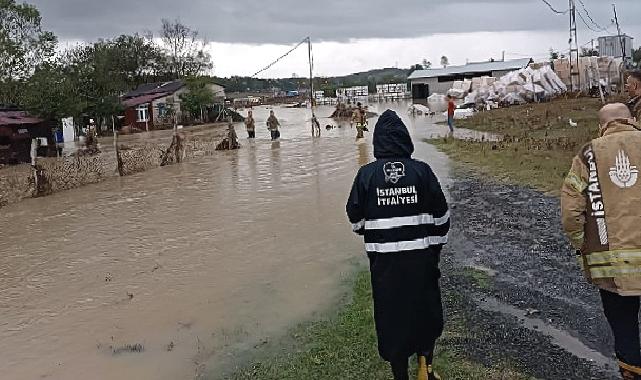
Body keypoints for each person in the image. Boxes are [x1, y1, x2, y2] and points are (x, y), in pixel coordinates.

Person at [346, 110, 449, 380]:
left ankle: (400, 376)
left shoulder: (366, 176)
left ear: (377, 142)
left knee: (393, 322)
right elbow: (442, 217)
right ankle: (425, 369)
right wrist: (432, 251)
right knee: (426, 316)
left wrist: (379, 236)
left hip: (386, 269)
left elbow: (355, 221)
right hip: (422, 264)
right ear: (405, 138)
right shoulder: (422, 171)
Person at [561, 103, 641, 379]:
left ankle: (631, 370)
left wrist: (580, 242)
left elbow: (571, 211)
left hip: (611, 263)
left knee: (623, 322)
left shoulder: (588, 154)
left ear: (601, 126)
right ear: (631, 120)